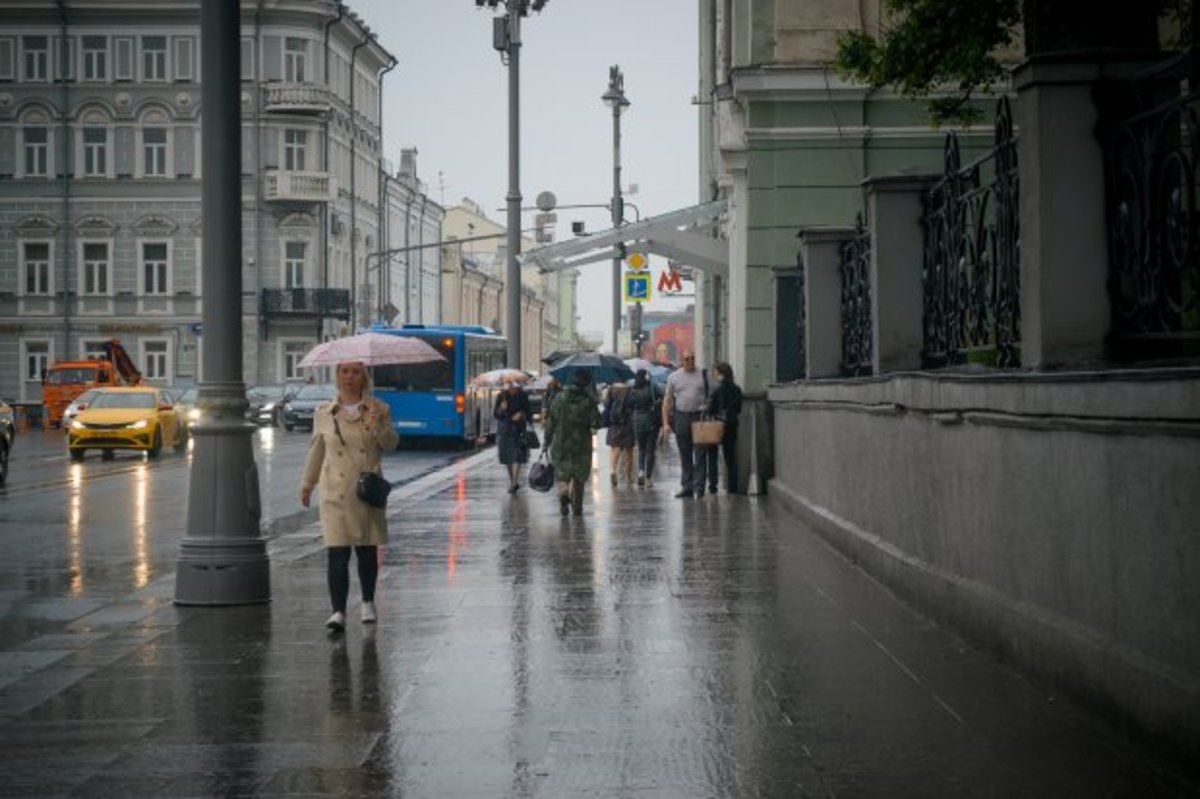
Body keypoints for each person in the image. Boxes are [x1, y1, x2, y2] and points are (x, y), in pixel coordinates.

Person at [300, 360, 399, 632]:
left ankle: (367, 602)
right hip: (334, 491)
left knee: (366, 551)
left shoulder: (378, 409)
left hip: (365, 490)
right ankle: (338, 611)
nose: (350, 377)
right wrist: (307, 484)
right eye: (345, 371)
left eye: (356, 372)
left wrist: (379, 423)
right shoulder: (324, 412)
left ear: (363, 376)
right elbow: (316, 451)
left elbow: (391, 444)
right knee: (337, 553)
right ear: (337, 376)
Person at [544, 369, 603, 516]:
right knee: (579, 476)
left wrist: (546, 441)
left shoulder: (559, 398)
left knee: (562, 474)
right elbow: (597, 423)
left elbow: (551, 422)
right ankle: (577, 507)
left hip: (561, 442)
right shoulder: (588, 401)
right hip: (581, 444)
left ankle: (563, 492)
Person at [661, 349, 709, 498]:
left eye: (692, 359)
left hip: (699, 416)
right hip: (681, 416)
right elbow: (667, 401)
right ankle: (687, 486)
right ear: (681, 361)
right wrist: (665, 423)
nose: (690, 361)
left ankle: (699, 487)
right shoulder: (674, 377)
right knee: (685, 452)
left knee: (700, 453)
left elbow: (711, 395)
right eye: (687, 359)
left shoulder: (703, 375)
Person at [703, 360, 744, 495]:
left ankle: (713, 486)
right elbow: (738, 408)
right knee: (730, 458)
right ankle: (732, 488)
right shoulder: (737, 389)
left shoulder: (717, 390)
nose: (713, 375)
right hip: (731, 425)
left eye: (715, 372)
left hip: (716, 425)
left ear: (719, 373)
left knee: (712, 457)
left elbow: (710, 410)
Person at [494, 380, 532, 493]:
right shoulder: (501, 396)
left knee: (517, 455)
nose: (511, 387)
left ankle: (515, 482)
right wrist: (501, 408)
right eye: (509, 385)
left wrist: (521, 414)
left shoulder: (523, 395)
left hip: (519, 429)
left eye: (513, 385)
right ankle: (512, 481)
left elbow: (529, 412)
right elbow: (496, 414)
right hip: (505, 430)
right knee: (507, 458)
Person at [628, 369, 661, 488]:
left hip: (637, 422)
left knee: (641, 449)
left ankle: (641, 471)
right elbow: (662, 396)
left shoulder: (632, 390)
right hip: (651, 421)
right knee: (650, 450)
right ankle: (648, 477)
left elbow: (629, 405)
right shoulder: (651, 387)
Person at [603, 381, 635, 487]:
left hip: (614, 425)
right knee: (629, 450)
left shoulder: (611, 389)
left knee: (615, 449)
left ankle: (613, 470)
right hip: (627, 425)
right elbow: (633, 405)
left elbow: (606, 406)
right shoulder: (629, 390)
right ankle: (629, 475)